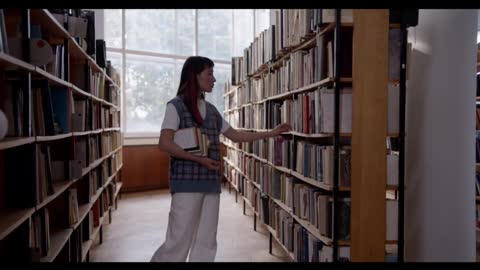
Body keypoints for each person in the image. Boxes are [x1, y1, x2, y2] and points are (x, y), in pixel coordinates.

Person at [150, 56, 292, 262]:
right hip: (187, 184)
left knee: (206, 241)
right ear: (194, 76)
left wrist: (271, 133)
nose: (214, 79)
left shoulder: (213, 111)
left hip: (210, 183)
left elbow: (236, 135)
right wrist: (199, 160)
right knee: (178, 240)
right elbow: (164, 143)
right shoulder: (176, 106)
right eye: (209, 73)